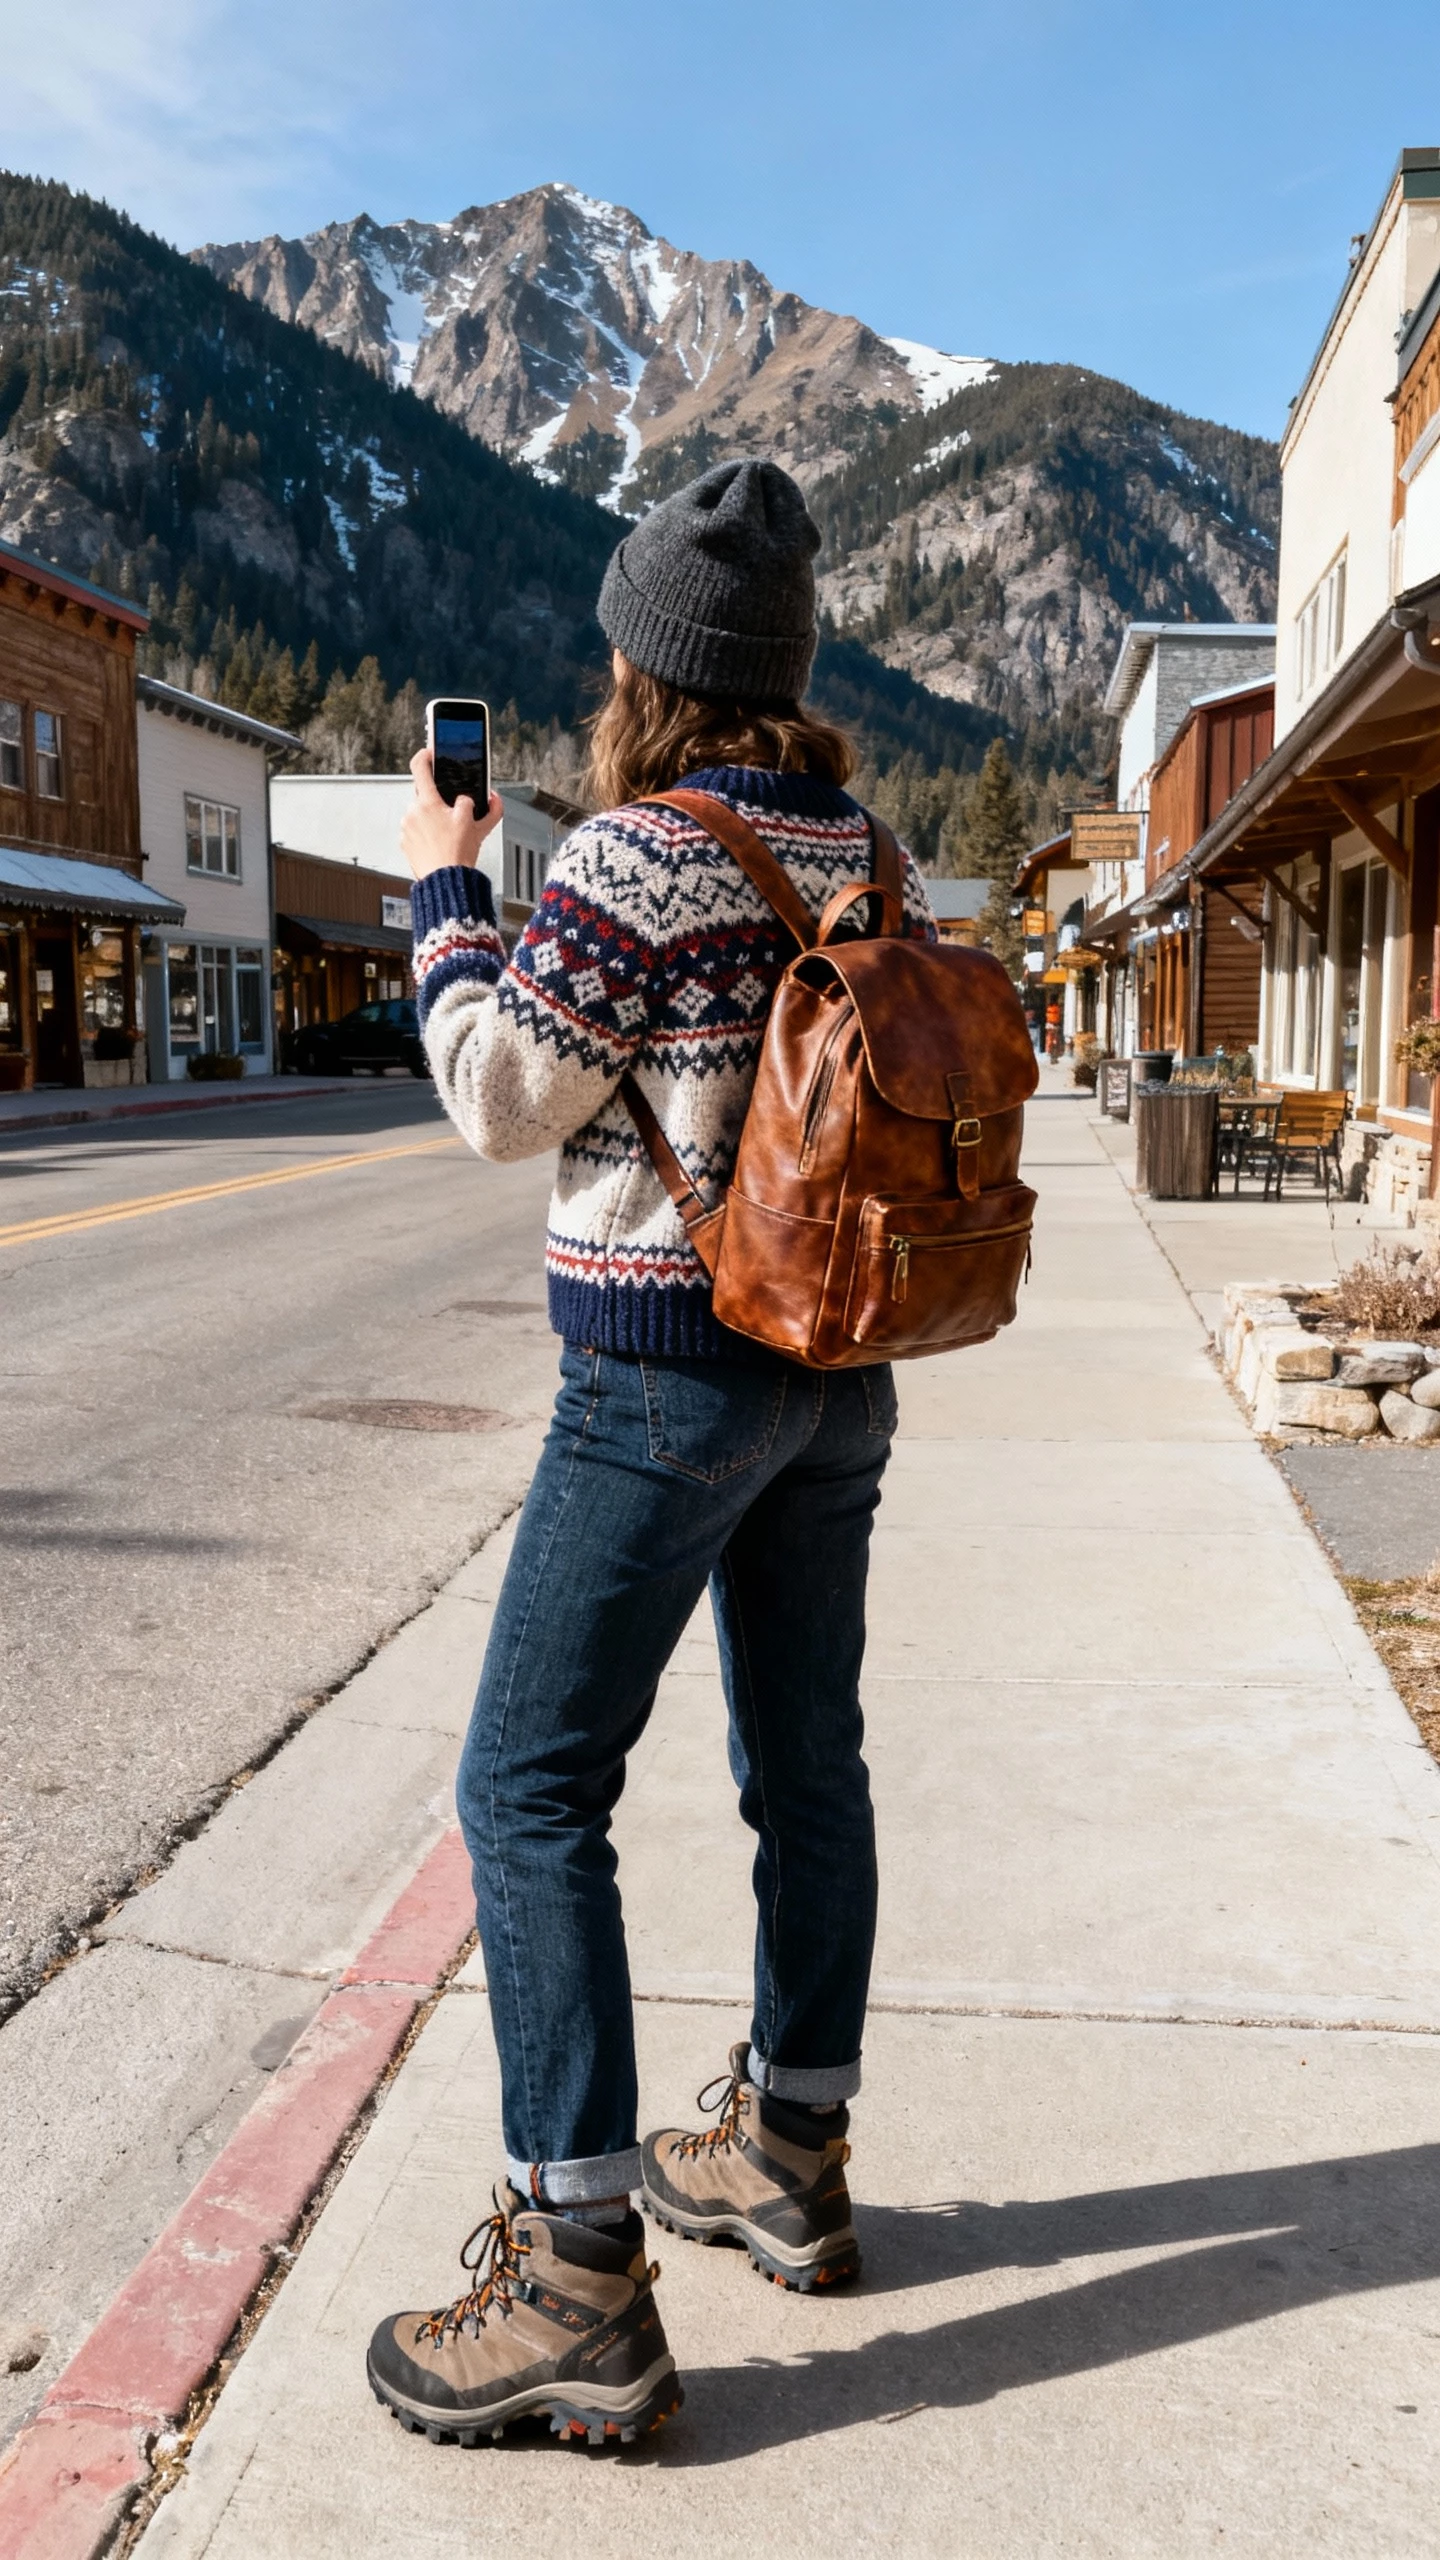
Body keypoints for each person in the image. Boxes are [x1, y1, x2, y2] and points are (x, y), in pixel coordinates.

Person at [366, 459, 936, 2450]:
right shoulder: (872, 850)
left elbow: (497, 1094)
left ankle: (576, 2275)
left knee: (526, 1786)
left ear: (644, 667)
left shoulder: (630, 856)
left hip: (666, 1380)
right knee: (808, 1766)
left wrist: (445, 892)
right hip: (838, 1370)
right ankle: (792, 2146)